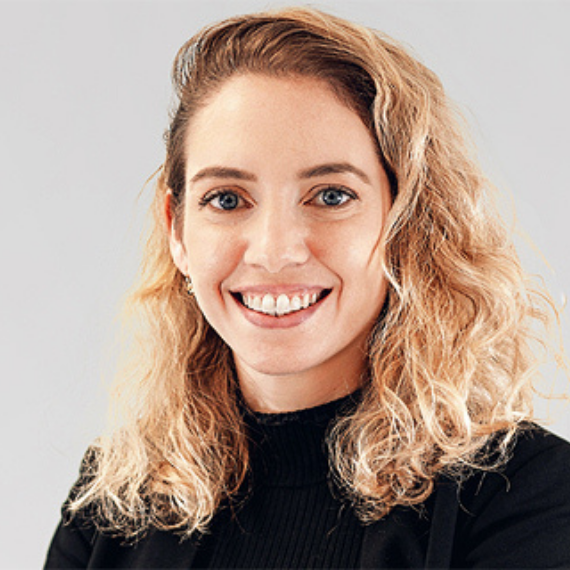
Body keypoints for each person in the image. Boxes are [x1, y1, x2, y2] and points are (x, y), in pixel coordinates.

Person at [44, 7, 570, 569]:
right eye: (227, 199)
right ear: (177, 230)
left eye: (331, 196)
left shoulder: (523, 496)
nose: (274, 251)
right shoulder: (111, 508)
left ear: (407, 220)